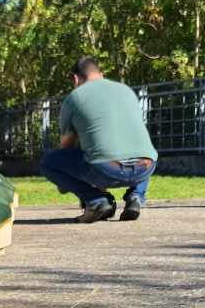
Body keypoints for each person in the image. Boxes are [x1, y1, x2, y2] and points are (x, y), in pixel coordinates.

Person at [41, 55, 158, 223]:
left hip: (107, 168)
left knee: (49, 162)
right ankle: (136, 196)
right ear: (101, 73)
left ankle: (96, 201)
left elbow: (67, 147)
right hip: (145, 168)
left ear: (75, 78)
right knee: (142, 150)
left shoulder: (75, 98)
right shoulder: (125, 90)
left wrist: (66, 182)